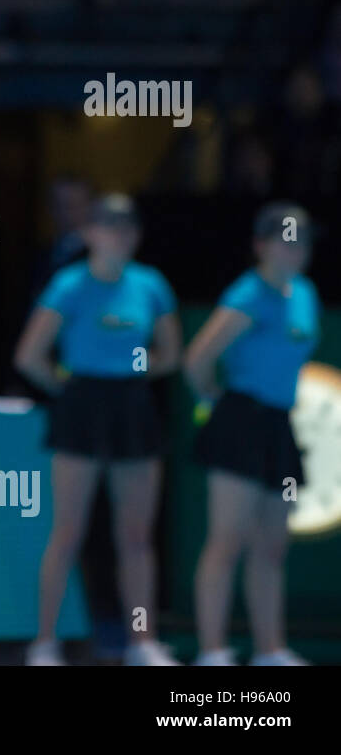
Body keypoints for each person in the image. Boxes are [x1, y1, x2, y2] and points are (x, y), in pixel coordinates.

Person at [14, 194, 182, 665]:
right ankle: (44, 643)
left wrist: (126, 373)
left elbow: (170, 355)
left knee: (135, 535)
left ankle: (141, 643)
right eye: (109, 227)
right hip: (81, 409)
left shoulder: (151, 285)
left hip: (132, 407)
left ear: (137, 234)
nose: (119, 236)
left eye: (127, 228)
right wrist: (70, 387)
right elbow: (29, 356)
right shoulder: (68, 284)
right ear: (90, 234)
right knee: (67, 531)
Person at [184, 201, 318, 665]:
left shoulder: (305, 294)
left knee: (272, 546)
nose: (296, 249)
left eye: (302, 240)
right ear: (261, 246)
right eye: (286, 240)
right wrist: (212, 402)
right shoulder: (247, 294)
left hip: (278, 426)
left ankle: (270, 649)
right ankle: (213, 651)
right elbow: (197, 359)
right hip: (238, 421)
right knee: (227, 541)